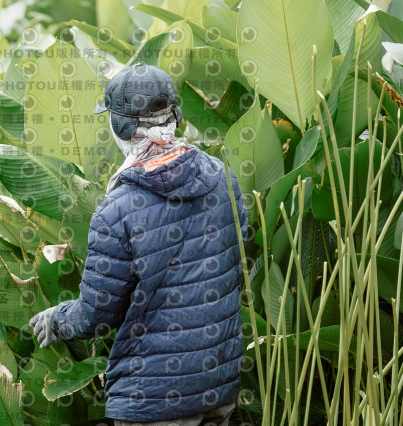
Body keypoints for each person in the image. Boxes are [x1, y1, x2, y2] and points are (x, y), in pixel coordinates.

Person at [29, 63, 249, 426]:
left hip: (152, 400)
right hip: (218, 385)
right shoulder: (223, 176)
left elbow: (98, 315)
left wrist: (58, 319)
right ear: (175, 117)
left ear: (120, 127)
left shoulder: (117, 211)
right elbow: (236, 262)